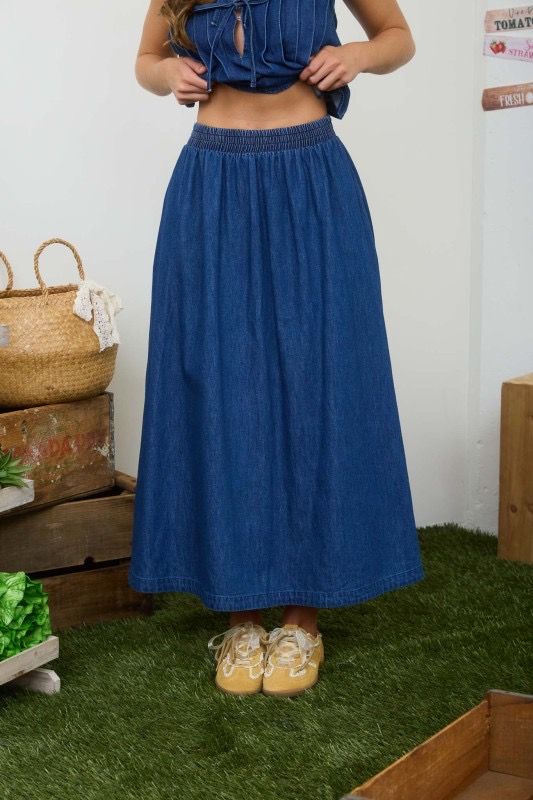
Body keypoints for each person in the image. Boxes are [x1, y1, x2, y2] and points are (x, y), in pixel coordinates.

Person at [128, 0, 425, 698]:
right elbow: (144, 61)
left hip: (311, 178)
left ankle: (301, 621)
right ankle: (241, 617)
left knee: (319, 382)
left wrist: (357, 56)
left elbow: (398, 37)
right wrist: (166, 73)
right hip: (210, 183)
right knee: (220, 388)